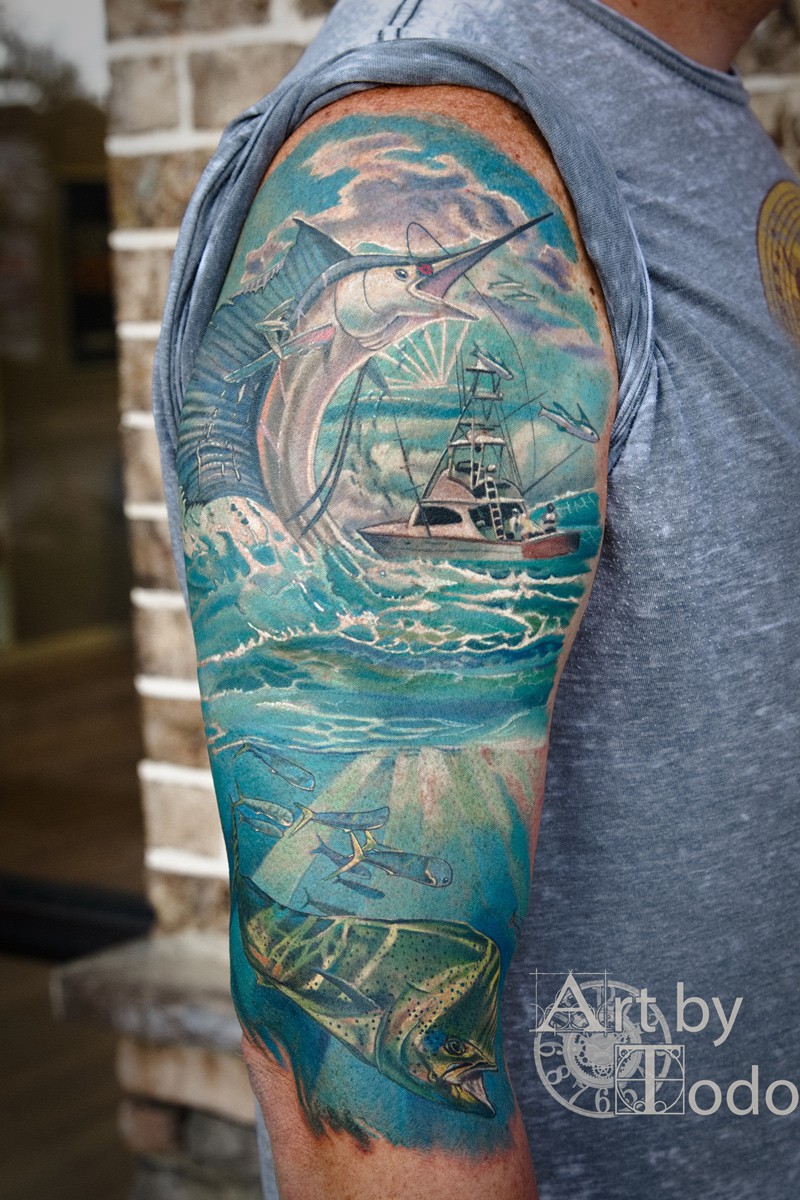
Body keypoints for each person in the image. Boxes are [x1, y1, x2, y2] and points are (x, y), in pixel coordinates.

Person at [153, 1, 800, 1196]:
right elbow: (361, 1125)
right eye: (413, 277)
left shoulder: (679, 97)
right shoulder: (436, 127)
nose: (435, 280)